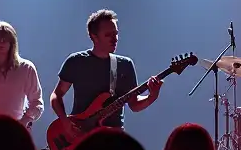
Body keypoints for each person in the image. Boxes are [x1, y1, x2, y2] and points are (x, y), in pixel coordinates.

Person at [50, 9, 162, 138]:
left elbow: (134, 104)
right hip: (81, 136)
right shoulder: (76, 61)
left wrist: (152, 96)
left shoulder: (125, 64)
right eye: (108, 35)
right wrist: (65, 122)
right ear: (94, 36)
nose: (114, 39)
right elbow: (56, 95)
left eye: (116, 34)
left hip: (114, 138)